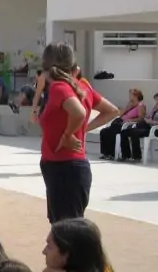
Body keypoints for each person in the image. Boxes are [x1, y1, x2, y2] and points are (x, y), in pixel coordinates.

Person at [37, 43, 118, 223]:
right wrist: (82, 129)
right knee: (66, 230)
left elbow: (79, 113)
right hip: (66, 166)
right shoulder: (82, 87)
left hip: (64, 167)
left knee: (66, 232)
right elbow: (111, 111)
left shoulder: (60, 87)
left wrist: (67, 135)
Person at [118, 91, 158, 162]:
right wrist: (150, 114)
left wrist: (152, 122)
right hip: (147, 127)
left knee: (134, 133)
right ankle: (126, 155)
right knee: (124, 132)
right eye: (156, 100)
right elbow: (149, 117)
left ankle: (137, 157)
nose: (157, 102)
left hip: (155, 130)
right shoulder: (156, 109)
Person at [99, 88, 145, 160]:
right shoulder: (130, 104)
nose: (129, 96)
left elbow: (141, 118)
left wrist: (130, 120)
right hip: (120, 122)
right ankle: (106, 153)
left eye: (131, 95)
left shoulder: (141, 106)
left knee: (112, 131)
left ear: (136, 96)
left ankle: (112, 154)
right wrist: (127, 108)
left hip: (127, 125)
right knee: (104, 131)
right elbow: (122, 115)